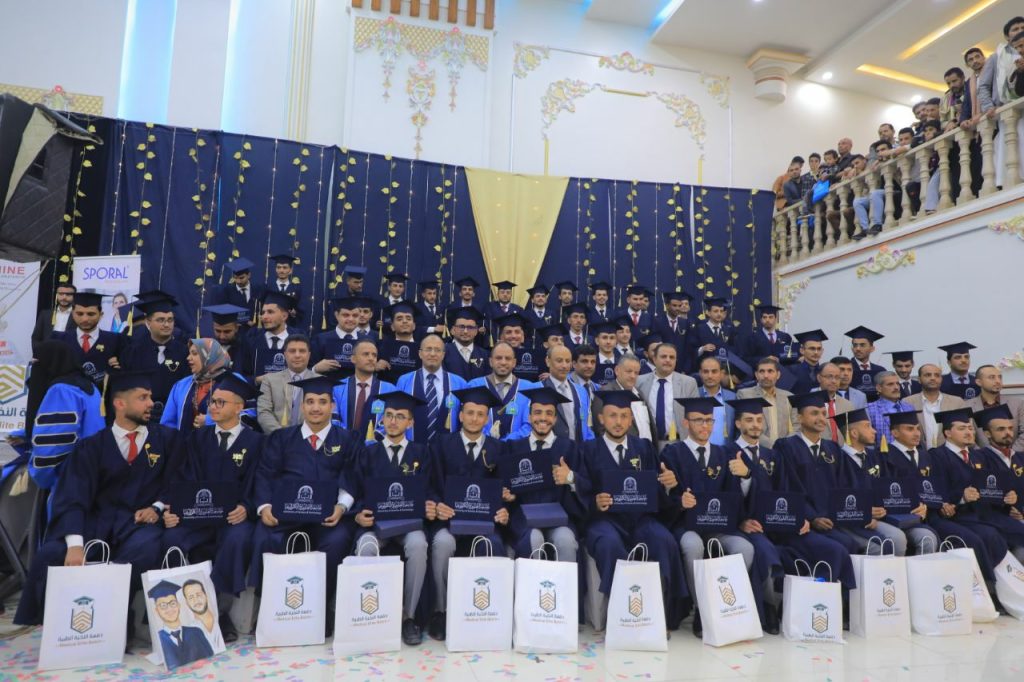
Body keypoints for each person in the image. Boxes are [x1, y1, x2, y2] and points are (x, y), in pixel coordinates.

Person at [14, 372, 184, 628]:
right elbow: (72, 496)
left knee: (145, 551)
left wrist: (156, 507)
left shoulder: (167, 441)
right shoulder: (90, 447)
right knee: (51, 553)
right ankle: (60, 625)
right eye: (143, 398)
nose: (151, 403)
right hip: (96, 522)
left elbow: (177, 482)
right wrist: (75, 544)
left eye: (150, 397)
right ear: (119, 404)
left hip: (139, 524)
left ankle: (115, 619)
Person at [249, 375, 358, 632]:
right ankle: (270, 606)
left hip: (327, 517)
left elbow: (352, 477)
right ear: (302, 405)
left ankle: (321, 607)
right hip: (285, 515)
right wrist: (264, 507)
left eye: (322, 401)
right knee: (266, 538)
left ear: (332, 406)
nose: (316, 407)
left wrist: (341, 507)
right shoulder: (282, 438)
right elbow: (265, 474)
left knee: (338, 541)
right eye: (310, 401)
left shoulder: (346, 440)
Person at [161, 373, 262, 644]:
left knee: (237, 540)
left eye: (220, 402)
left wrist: (247, 507)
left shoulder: (256, 443)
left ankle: (218, 610)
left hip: (233, 519)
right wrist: (173, 510)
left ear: (239, 407)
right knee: (172, 538)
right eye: (212, 402)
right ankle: (175, 611)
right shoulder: (197, 439)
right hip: (198, 517)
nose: (212, 407)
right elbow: (181, 478)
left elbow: (260, 483)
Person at [578, 389, 686, 628]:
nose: (618, 422)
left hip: (640, 518)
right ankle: (621, 614)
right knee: (609, 544)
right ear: (601, 419)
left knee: (664, 541)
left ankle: (662, 615)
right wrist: (594, 501)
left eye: (624, 416)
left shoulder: (644, 448)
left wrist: (668, 486)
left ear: (631, 420)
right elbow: (582, 490)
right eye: (612, 415)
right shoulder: (587, 449)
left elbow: (656, 490)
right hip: (604, 520)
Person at [660, 397, 764, 637]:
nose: (704, 425)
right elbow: (663, 497)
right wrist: (678, 500)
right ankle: (702, 610)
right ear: (686, 422)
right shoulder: (672, 453)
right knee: (692, 545)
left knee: (745, 548)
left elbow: (735, 496)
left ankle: (724, 606)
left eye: (709, 420)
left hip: (719, 526)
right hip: (685, 525)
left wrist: (746, 476)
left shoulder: (724, 453)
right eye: (698, 420)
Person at [426, 386, 510, 641]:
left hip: (484, 523)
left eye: (480, 414)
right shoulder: (440, 444)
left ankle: (487, 612)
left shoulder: (498, 449)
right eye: (470, 413)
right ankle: (440, 611)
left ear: (487, 419)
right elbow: (429, 483)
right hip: (448, 520)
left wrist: (504, 509)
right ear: (460, 415)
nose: (474, 418)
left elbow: (505, 489)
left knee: (493, 544)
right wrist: (437, 504)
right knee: (442, 543)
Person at [352, 390, 431, 646]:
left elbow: (429, 490)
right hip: (376, 523)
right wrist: (358, 515)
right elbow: (356, 490)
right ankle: (370, 614)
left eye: (400, 416)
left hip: (410, 524)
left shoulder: (422, 453)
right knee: (366, 545)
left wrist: (430, 505)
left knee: (418, 544)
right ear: (382, 419)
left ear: (411, 422)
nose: (393, 421)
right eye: (389, 415)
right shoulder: (368, 453)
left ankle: (409, 616)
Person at [772, 392, 857, 596]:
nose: (820, 418)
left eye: (823, 413)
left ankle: (842, 601)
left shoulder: (832, 448)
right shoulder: (786, 447)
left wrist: (836, 515)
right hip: (800, 524)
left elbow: (843, 486)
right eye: (814, 413)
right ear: (800, 418)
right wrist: (811, 517)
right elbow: (786, 488)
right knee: (836, 549)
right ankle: (821, 599)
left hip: (829, 522)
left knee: (849, 543)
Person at [928, 407, 1011, 584]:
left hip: (976, 515)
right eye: (962, 428)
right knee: (977, 539)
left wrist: (1007, 498)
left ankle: (1001, 585)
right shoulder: (936, 456)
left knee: (996, 533)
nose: (968, 432)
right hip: (949, 516)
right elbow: (934, 490)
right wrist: (960, 497)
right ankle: (985, 586)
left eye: (970, 428)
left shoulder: (977, 456)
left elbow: (990, 487)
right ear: (948, 433)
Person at [835, 409, 935, 556]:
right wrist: (862, 511)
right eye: (868, 426)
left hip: (888, 516)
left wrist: (918, 505)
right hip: (853, 521)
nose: (874, 431)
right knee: (897, 538)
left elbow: (894, 488)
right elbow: (836, 497)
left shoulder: (878, 456)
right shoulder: (837, 460)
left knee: (927, 538)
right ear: (854, 433)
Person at [504, 386, 586, 560]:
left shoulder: (569, 448)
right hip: (524, 519)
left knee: (565, 539)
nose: (543, 418)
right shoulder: (514, 448)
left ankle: (566, 579)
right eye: (537, 412)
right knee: (534, 538)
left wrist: (571, 478)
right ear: (529, 417)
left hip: (560, 518)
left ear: (555, 419)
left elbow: (587, 485)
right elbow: (503, 486)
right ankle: (531, 579)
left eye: (549, 413)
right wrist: (507, 495)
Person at [17, 341, 104, 490]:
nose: (34, 369)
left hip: (68, 481)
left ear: (52, 362)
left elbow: (52, 446)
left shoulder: (61, 391)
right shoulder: (90, 387)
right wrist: (23, 434)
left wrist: (41, 476)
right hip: (92, 473)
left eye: (36, 363)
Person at [120, 293, 190, 422]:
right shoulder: (134, 352)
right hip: (141, 417)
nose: (166, 324)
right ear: (148, 322)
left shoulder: (185, 352)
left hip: (174, 417)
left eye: (170, 320)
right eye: (160, 320)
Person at [395, 334, 468, 443]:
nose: (433, 354)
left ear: (443, 355)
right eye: (428, 349)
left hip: (448, 447)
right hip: (411, 447)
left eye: (437, 350)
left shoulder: (459, 383)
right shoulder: (404, 381)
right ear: (420, 353)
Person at [160, 338, 232, 436]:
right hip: (184, 444)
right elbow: (167, 423)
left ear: (209, 356)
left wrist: (209, 420)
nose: (188, 358)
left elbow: (243, 415)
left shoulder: (232, 382)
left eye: (194, 353)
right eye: (189, 353)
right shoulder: (182, 385)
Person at [51, 290, 122, 387]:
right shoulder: (58, 340)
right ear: (72, 313)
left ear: (101, 315)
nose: (85, 319)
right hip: (68, 394)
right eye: (79, 314)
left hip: (103, 395)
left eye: (91, 314)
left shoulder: (116, 341)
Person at [466, 342, 537, 440]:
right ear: (490, 361)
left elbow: (530, 424)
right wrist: (489, 440)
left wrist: (507, 441)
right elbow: (470, 419)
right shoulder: (475, 386)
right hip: (483, 445)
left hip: (517, 446)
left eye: (508, 358)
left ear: (514, 362)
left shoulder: (529, 388)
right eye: (498, 358)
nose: (503, 362)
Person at [636, 342, 699, 450]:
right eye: (663, 356)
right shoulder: (639, 382)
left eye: (672, 357)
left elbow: (695, 416)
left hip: (678, 444)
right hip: (647, 445)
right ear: (654, 359)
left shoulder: (689, 383)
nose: (668, 360)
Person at [332, 339, 397, 440]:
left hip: (376, 446)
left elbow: (390, 421)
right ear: (353, 359)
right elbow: (333, 419)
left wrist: (372, 441)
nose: (371, 358)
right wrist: (347, 440)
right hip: (343, 444)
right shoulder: (337, 387)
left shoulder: (390, 390)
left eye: (374, 355)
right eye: (366, 354)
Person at [257, 334, 318, 433]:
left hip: (310, 439)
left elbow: (324, 415)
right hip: (277, 438)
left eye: (302, 351)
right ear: (285, 354)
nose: (297, 355)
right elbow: (264, 413)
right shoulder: (269, 380)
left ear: (309, 355)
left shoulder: (320, 381)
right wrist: (282, 436)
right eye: (292, 351)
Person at [147, 580, 215, 669]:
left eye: (172, 603)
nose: (169, 609)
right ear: (157, 611)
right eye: (163, 605)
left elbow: (211, 657)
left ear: (179, 605)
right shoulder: (158, 638)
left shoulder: (196, 632)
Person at [236, 290, 299, 382]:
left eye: (270, 312)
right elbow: (240, 374)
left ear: (284, 316)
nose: (264, 317)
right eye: (263, 312)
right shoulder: (251, 338)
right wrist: (256, 380)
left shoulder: (299, 339)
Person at [591, 354, 656, 441]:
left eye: (636, 373)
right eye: (629, 371)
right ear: (617, 370)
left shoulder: (640, 393)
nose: (633, 376)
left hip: (647, 448)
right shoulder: (605, 393)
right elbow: (601, 429)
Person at [905, 363, 966, 449]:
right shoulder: (907, 402)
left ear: (941, 379)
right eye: (928, 375)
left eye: (937, 375)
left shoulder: (957, 402)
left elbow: (965, 430)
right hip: (919, 453)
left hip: (949, 453)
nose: (933, 378)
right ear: (919, 379)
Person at [737, 357, 793, 448]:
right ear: (756, 375)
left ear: (778, 375)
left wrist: (785, 445)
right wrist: (774, 446)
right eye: (762, 371)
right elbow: (747, 426)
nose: (766, 375)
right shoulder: (745, 395)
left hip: (786, 450)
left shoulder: (788, 396)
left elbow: (796, 425)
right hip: (758, 449)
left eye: (770, 371)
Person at [965, 365, 1024, 451]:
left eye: (1000, 377)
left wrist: (1011, 454)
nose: (998, 381)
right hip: (981, 456)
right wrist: (982, 455)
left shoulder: (1017, 403)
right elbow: (966, 436)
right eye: (992, 377)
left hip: (1014, 455)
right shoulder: (967, 406)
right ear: (979, 382)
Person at [695, 356, 736, 447]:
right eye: (706, 372)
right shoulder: (693, 395)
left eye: (714, 371)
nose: (710, 376)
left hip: (725, 451)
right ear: (700, 373)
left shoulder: (732, 397)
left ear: (722, 374)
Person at [377, 301, 423, 382]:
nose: (404, 321)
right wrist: (375, 366)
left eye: (408, 318)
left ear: (414, 326)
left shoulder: (422, 348)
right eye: (399, 319)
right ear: (392, 326)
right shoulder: (382, 346)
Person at [865, 371, 911, 448]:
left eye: (897, 384)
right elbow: (867, 440)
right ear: (879, 388)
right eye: (890, 384)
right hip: (883, 453)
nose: (896, 387)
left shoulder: (908, 407)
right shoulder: (870, 409)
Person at [739, 304, 793, 368]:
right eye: (764, 317)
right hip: (761, 371)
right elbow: (746, 359)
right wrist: (764, 359)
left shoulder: (785, 337)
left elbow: (791, 356)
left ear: (776, 319)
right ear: (761, 320)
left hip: (782, 371)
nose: (767, 320)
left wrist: (780, 360)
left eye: (770, 317)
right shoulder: (752, 338)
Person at [443, 306, 488, 381]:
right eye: (461, 327)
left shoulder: (485, 355)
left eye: (470, 327)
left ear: (476, 331)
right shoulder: (442, 353)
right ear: (453, 330)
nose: (465, 331)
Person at [653, 291, 692, 373]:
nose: (677, 308)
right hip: (663, 366)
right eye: (674, 305)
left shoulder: (685, 323)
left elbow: (688, 348)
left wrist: (686, 369)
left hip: (680, 368)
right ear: (667, 305)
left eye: (679, 306)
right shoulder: (657, 322)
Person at [214, 257, 262, 325]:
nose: (238, 281)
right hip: (235, 328)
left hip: (255, 328)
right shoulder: (227, 291)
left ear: (249, 275)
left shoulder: (258, 289)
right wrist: (245, 321)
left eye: (241, 278)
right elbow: (224, 313)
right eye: (235, 278)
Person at [814, 362, 854, 443]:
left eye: (837, 377)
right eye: (829, 377)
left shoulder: (848, 405)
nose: (834, 381)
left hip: (841, 449)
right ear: (819, 378)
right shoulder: (808, 403)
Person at [181, 579, 224, 652]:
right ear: (187, 602)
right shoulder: (190, 632)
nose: (196, 600)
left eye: (198, 595)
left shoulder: (219, 620)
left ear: (206, 596)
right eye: (191, 597)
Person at [203, 304, 250, 368]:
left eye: (227, 332)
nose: (222, 336)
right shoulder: (206, 347)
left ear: (236, 328)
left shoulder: (246, 349)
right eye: (218, 331)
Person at [32, 283, 76, 348]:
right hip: (47, 351)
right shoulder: (45, 314)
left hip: (70, 352)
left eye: (68, 294)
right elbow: (36, 337)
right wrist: (39, 352)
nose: (64, 297)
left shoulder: (78, 315)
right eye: (61, 294)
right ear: (56, 295)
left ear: (74, 297)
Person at [845, 326, 886, 395]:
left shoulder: (880, 371)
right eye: (855, 345)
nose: (858, 349)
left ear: (872, 349)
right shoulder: (846, 369)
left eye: (862, 345)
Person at [789, 329, 827, 394]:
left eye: (819, 349)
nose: (816, 352)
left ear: (822, 351)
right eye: (812, 348)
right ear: (802, 350)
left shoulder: (825, 371)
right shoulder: (791, 371)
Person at [591, 320, 621, 385]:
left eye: (612, 338)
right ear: (597, 341)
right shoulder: (591, 363)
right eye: (604, 337)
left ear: (616, 341)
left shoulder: (622, 363)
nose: (608, 342)